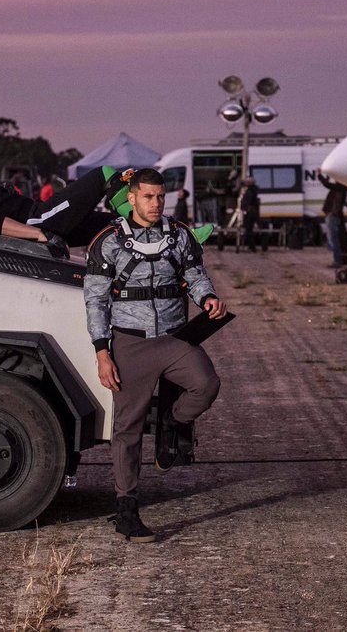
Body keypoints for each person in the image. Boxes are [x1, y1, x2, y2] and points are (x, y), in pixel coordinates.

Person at [83, 168, 228, 543]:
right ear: (131, 198)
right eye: (148, 197)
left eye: (161, 196)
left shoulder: (178, 234)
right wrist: (103, 352)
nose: (156, 203)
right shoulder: (109, 241)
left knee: (206, 385)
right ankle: (126, 508)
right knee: (126, 429)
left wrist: (207, 297)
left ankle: (171, 423)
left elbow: (195, 274)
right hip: (131, 342)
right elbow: (95, 301)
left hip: (175, 337)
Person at [320, 174, 347, 266]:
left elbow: (327, 184)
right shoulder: (341, 188)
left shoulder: (340, 187)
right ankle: (338, 259)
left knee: (333, 239)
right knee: (334, 238)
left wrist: (320, 176)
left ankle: (337, 260)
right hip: (333, 215)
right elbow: (328, 184)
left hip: (333, 215)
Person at [239, 176, 261, 251]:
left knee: (248, 230)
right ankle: (251, 246)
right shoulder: (255, 190)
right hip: (254, 212)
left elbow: (246, 202)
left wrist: (243, 206)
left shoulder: (250, 191)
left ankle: (252, 247)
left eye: (246, 182)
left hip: (250, 213)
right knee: (249, 230)